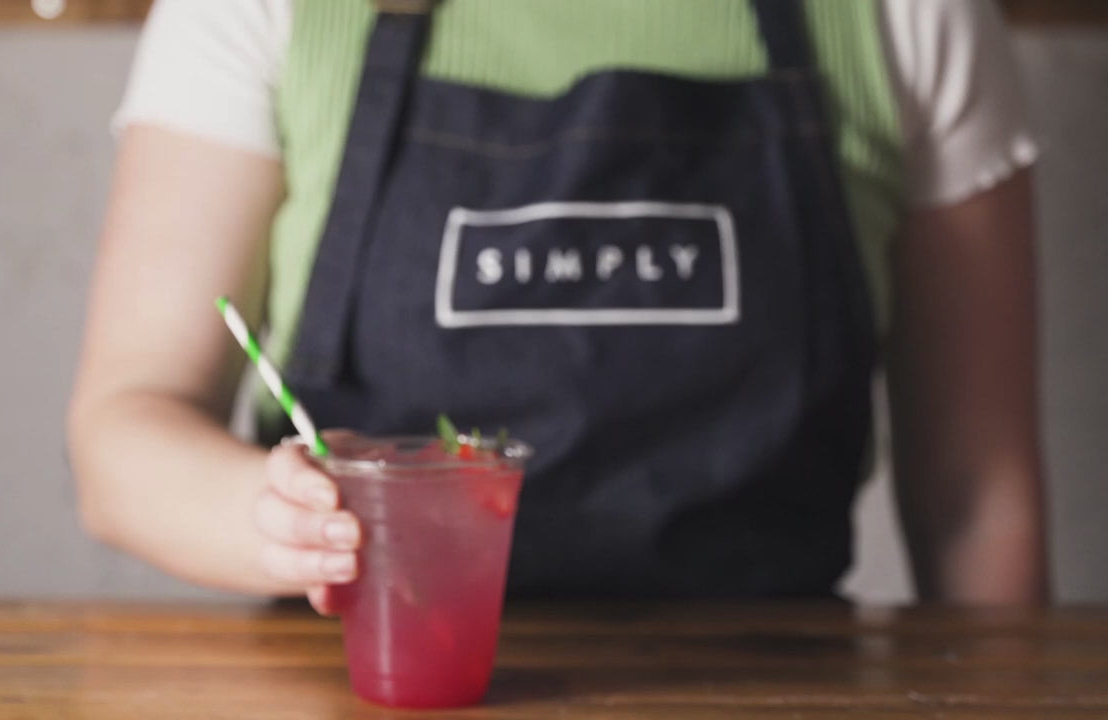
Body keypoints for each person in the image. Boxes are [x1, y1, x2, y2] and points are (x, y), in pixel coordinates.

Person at [67, 0, 1048, 610]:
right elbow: (123, 432)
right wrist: (275, 522)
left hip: (775, 690)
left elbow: (974, 494)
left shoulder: (907, 15)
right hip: (360, 691)